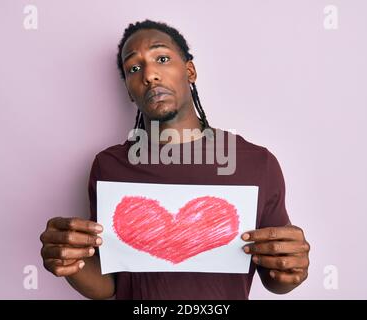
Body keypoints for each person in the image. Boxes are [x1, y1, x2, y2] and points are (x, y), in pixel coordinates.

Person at [40, 19, 310, 300]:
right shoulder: (109, 166)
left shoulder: (256, 163)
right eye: (134, 68)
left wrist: (292, 266)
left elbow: (276, 279)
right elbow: (111, 283)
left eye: (162, 58)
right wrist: (69, 263)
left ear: (190, 70)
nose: (150, 74)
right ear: (130, 91)